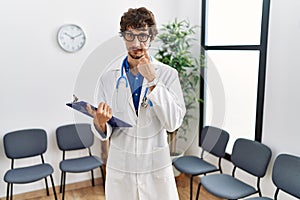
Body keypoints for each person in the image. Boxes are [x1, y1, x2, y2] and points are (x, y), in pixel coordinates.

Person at [87, 7, 186, 200]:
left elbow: (173, 122)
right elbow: (104, 127)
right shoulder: (108, 78)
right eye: (130, 36)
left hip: (154, 166)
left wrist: (153, 82)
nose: (136, 43)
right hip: (121, 166)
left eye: (142, 36)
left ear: (151, 38)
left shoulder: (168, 74)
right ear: (123, 37)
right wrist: (100, 121)